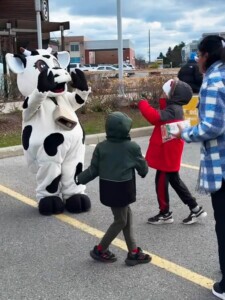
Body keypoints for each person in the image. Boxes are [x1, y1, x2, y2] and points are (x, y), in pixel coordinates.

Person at [174, 35, 225, 300]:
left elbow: (212, 127)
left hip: (222, 164)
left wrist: (184, 132)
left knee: (224, 223)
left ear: (205, 56)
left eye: (197, 56)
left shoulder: (213, 82)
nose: (197, 61)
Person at [76, 111, 151, 266]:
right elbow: (143, 168)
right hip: (123, 190)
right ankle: (100, 249)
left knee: (126, 217)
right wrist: (143, 170)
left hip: (108, 189)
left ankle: (133, 251)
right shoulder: (132, 147)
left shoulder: (101, 147)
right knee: (121, 220)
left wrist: (79, 178)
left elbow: (93, 170)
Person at [138, 78, 207, 225]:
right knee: (175, 181)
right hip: (169, 154)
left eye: (165, 92)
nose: (163, 94)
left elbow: (154, 117)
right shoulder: (173, 108)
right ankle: (195, 209)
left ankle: (165, 213)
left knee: (161, 183)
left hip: (167, 156)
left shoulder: (173, 110)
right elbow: (160, 114)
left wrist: (142, 104)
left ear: (174, 96)